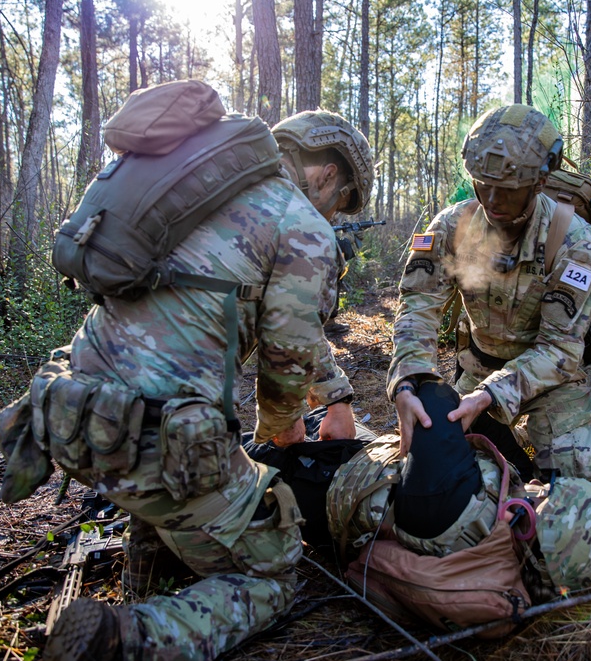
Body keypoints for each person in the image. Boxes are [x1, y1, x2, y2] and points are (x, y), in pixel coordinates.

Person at [40, 115, 363, 660]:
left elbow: (274, 317)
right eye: (344, 200)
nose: (335, 213)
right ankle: (120, 642)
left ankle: (143, 583)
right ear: (330, 176)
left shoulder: (211, 195)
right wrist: (280, 442)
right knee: (276, 572)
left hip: (67, 405)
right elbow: (286, 355)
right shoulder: (302, 223)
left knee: (181, 459)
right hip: (152, 435)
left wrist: (337, 395)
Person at [387, 104, 591, 500]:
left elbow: (559, 350)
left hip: (551, 383)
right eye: (482, 185)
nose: (492, 199)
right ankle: (510, 445)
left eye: (508, 189)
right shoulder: (451, 226)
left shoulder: (576, 244)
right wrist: (408, 379)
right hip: (476, 373)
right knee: (435, 469)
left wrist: (490, 396)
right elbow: (418, 305)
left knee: (585, 483)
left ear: (539, 182)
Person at [272, 110, 376, 338]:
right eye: (338, 204)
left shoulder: (228, 180)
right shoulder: (306, 239)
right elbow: (294, 367)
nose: (330, 217)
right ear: (327, 176)